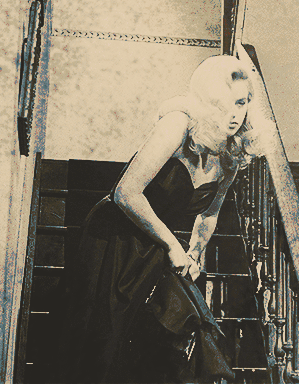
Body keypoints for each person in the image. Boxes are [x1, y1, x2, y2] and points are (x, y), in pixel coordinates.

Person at [57, 45, 274, 383]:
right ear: (209, 100)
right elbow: (125, 193)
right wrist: (173, 246)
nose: (235, 114)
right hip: (116, 237)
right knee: (105, 345)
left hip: (158, 245)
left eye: (242, 103)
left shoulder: (231, 154)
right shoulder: (179, 124)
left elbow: (209, 214)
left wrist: (195, 253)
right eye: (227, 103)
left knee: (166, 340)